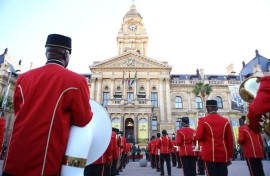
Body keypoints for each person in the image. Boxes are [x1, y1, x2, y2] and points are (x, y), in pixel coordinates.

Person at [2, 34, 93, 175]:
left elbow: (17, 111)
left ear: (46, 53)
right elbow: (83, 119)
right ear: (66, 54)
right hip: (45, 161)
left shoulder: (23, 78)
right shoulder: (76, 81)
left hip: (13, 159)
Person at [194, 100, 234, 176]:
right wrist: (230, 155)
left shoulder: (203, 120)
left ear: (207, 108)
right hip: (223, 154)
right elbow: (230, 140)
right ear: (217, 108)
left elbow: (198, 137)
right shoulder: (225, 121)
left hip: (209, 154)